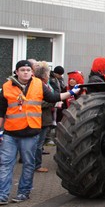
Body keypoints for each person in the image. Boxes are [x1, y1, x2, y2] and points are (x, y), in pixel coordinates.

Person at [0, 60, 80, 204]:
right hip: (10, 133)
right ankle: (2, 195)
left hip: (30, 133)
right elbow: (1, 112)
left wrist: (71, 92)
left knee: (29, 164)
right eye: (22, 70)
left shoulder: (39, 84)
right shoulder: (6, 87)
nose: (25, 72)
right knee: (5, 164)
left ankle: (23, 193)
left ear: (32, 72)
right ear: (16, 72)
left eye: (28, 70)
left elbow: (53, 97)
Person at [33, 61, 57, 174]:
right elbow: (38, 102)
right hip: (40, 119)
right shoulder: (38, 85)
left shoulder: (45, 85)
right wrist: (52, 102)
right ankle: (36, 165)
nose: (49, 77)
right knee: (38, 144)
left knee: (38, 144)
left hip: (44, 118)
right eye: (48, 75)